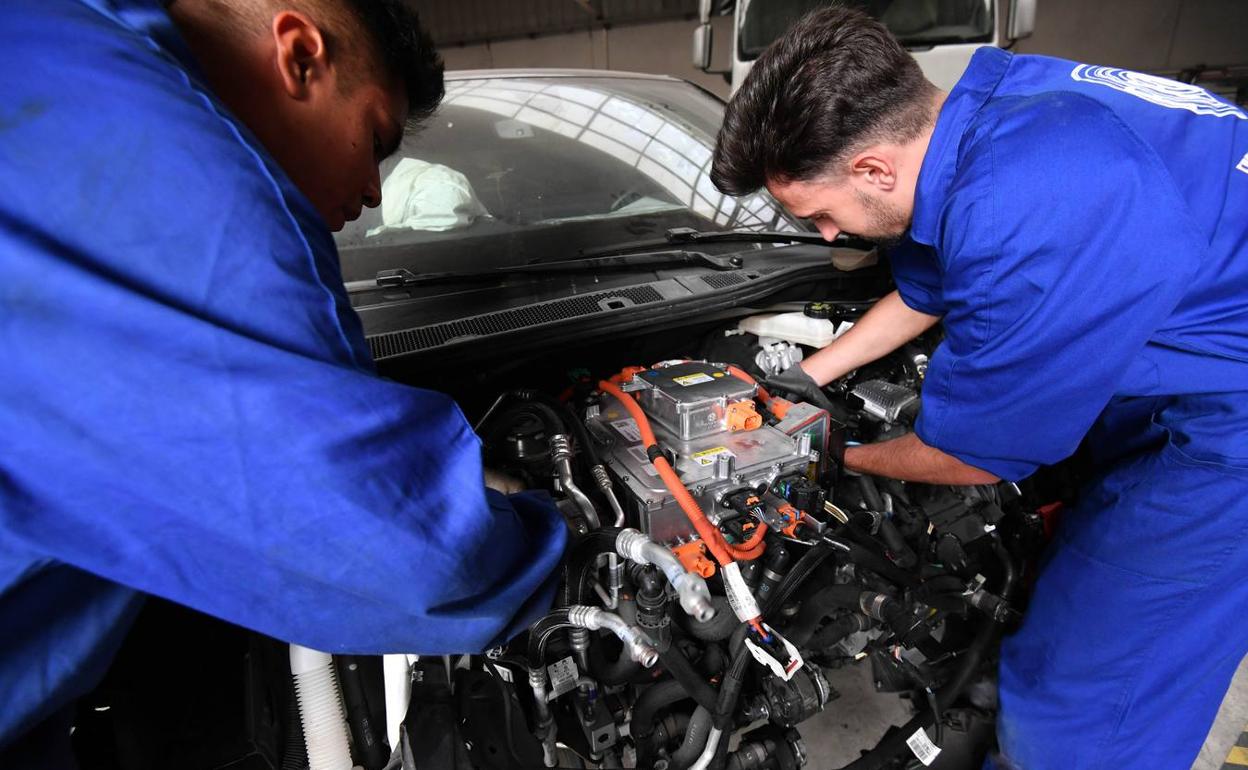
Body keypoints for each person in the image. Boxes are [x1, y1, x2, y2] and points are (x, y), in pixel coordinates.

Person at [0, 0, 566, 763]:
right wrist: (552, 536)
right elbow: (409, 552)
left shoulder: (56, 43)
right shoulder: (201, 187)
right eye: (375, 139)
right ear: (300, 55)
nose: (372, 189)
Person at [711, 7, 1248, 769]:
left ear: (871, 170)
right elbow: (926, 290)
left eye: (821, 216)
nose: (828, 238)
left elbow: (974, 458)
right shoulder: (981, 121)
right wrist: (800, 381)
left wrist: (825, 455)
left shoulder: (1020, 205)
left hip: (1232, 427)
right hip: (1205, 348)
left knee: (1083, 704)